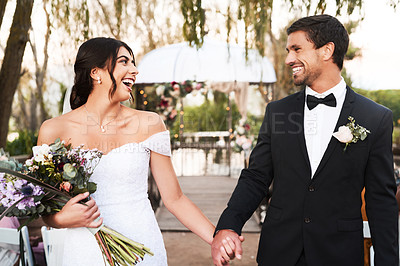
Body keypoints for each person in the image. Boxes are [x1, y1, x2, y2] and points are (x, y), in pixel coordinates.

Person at [211, 14, 399, 266]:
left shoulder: (375, 118)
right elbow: (256, 177)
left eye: (297, 49)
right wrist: (228, 225)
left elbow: (380, 199)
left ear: (327, 50)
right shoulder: (277, 112)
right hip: (279, 252)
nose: (289, 59)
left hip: (339, 254)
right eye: (288, 50)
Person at [37, 37, 224, 265]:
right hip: (83, 251)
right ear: (96, 72)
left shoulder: (150, 124)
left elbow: (174, 198)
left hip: (141, 247)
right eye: (124, 62)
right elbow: (44, 208)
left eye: (133, 63)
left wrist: (216, 239)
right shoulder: (53, 130)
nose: (134, 70)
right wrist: (61, 218)